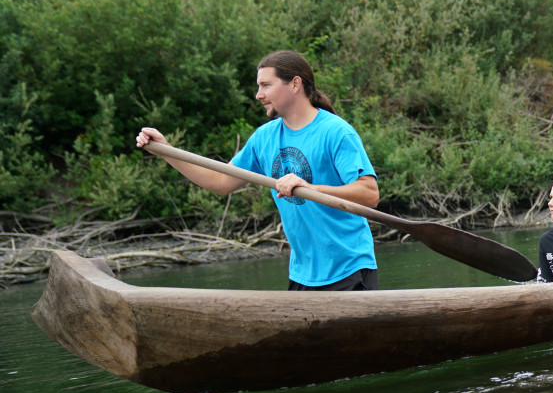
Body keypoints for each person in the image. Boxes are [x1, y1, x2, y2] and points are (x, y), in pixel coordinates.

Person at [136, 50, 381, 290]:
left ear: (295, 84)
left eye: (266, 85)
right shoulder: (265, 137)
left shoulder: (335, 132)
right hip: (303, 274)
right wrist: (166, 151)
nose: (258, 95)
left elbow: (369, 193)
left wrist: (311, 188)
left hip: (349, 268)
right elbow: (221, 181)